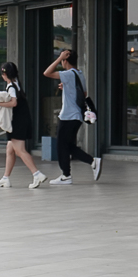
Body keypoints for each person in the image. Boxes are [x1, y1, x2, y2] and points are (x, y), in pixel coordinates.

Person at [44, 49, 101, 185]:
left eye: (62, 60)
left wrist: (58, 58)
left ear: (65, 60)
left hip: (68, 116)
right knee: (68, 145)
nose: (61, 62)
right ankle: (88, 164)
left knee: (61, 146)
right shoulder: (79, 74)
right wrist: (67, 88)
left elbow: (47, 73)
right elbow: (83, 93)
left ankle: (69, 174)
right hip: (77, 116)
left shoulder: (68, 74)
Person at [0, 63, 46, 189]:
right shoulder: (17, 84)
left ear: (5, 74)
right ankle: (5, 178)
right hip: (22, 121)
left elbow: (13, 103)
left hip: (17, 123)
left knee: (20, 150)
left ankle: (37, 174)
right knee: (10, 149)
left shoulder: (11, 86)